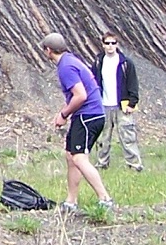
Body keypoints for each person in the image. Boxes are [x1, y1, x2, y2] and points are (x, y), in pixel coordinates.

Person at [42, 32, 114, 213]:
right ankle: (71, 201)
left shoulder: (66, 67)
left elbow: (81, 95)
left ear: (48, 50)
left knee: (79, 158)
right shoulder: (71, 61)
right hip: (88, 114)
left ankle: (105, 198)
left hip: (87, 115)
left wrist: (63, 114)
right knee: (70, 155)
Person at [92, 30, 143, 173]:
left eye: (113, 43)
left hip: (122, 106)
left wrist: (132, 103)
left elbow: (133, 84)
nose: (110, 46)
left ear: (117, 44)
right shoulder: (98, 62)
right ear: (102, 44)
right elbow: (93, 82)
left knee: (128, 136)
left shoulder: (126, 63)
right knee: (102, 138)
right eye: (107, 43)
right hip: (103, 106)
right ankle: (102, 164)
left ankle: (135, 166)